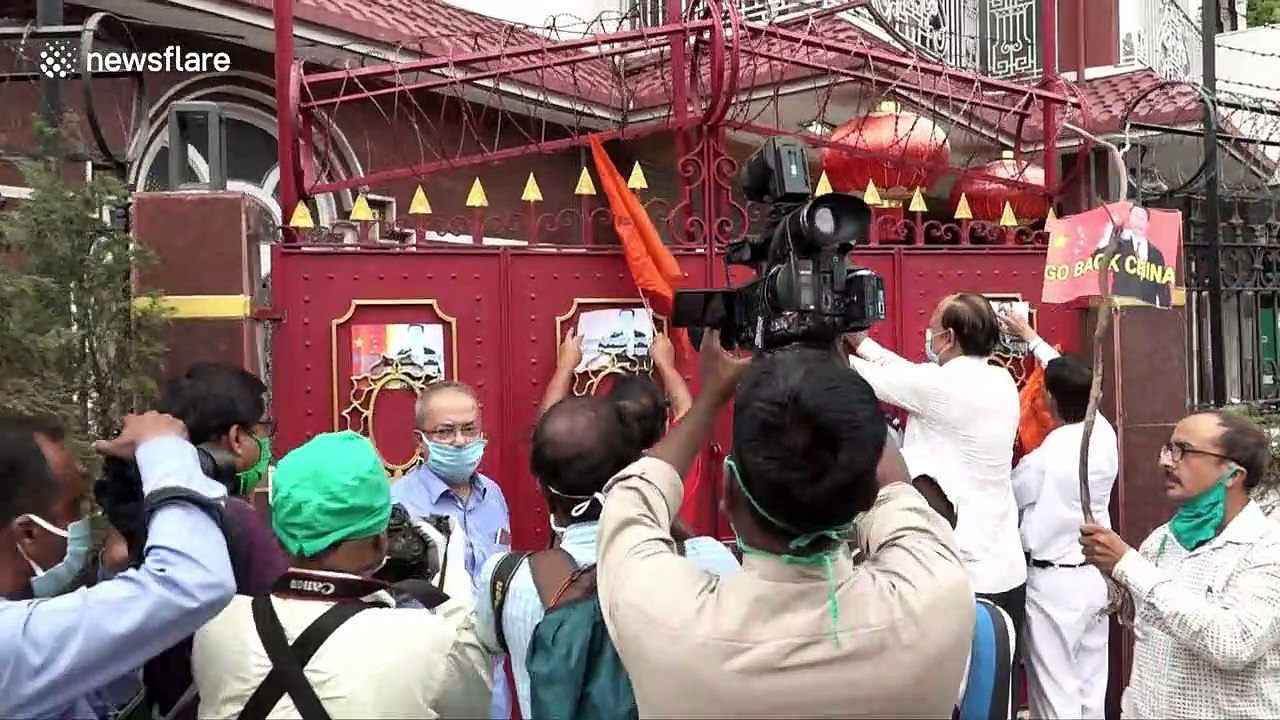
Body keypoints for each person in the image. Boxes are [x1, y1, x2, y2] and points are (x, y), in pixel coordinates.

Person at [596, 332, 975, 716]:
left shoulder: (662, 616)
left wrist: (711, 397)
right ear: (864, 501)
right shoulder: (936, 594)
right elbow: (896, 492)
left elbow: (634, 494)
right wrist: (839, 385)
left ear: (729, 489)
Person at [191, 431, 491, 718]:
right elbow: (474, 705)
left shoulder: (215, 627)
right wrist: (452, 584)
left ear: (281, 537)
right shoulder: (424, 641)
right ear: (380, 539)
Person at [477, 395, 738, 717]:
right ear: (637, 469)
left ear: (542, 488)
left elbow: (484, 648)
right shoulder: (708, 560)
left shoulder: (503, 578)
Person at [0, 411, 237, 719]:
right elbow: (193, 582)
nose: (83, 521)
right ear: (28, 533)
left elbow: (92, 692)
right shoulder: (9, 644)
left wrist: (116, 571)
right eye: (74, 507)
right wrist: (164, 449)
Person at [846, 293, 1026, 640]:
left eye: (933, 328)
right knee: (996, 673)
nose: (929, 336)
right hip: (1005, 569)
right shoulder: (1000, 380)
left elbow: (865, 377)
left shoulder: (942, 387)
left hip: (967, 576)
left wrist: (823, 346)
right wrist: (862, 343)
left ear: (950, 338)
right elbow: (909, 376)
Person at [1081, 410, 1280, 718]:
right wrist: (1112, 575)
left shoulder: (1267, 548)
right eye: (1168, 448)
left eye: (1183, 451)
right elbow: (1147, 627)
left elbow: (1233, 643)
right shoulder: (1162, 541)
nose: (1165, 461)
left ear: (1233, 475)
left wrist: (1128, 565)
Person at [140, 363, 289, 720]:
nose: (266, 444)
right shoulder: (234, 519)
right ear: (236, 438)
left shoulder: (155, 505)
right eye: (262, 431)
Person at [1002, 312, 1115, 719]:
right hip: (1093, 579)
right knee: (1091, 690)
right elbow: (1073, 380)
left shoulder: (1046, 457)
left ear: (1049, 400)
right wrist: (1031, 337)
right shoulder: (1104, 433)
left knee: (1055, 697)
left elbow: (1012, 495)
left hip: (1053, 586)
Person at [392, 380, 512, 719]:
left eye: (469, 429)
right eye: (445, 432)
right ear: (420, 441)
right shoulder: (399, 505)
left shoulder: (493, 495)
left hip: (492, 675)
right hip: (428, 676)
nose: (460, 441)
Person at [1094, 205, 1171, 308]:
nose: (1138, 222)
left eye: (1142, 218)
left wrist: (1164, 312)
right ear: (1130, 220)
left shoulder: (1156, 254)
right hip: (1121, 309)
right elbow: (1097, 260)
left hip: (1147, 312)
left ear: (1148, 224)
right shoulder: (1118, 246)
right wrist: (1108, 239)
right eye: (1135, 217)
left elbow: (1163, 290)